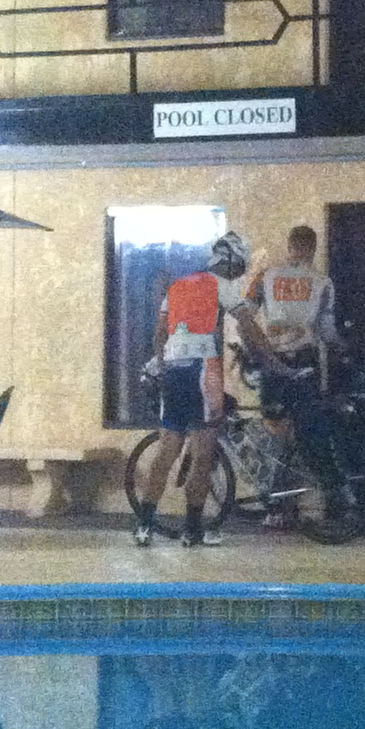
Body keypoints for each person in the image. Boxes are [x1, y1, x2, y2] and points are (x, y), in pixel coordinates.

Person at [136, 229, 261, 547]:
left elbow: (159, 336)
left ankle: (144, 526)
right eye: (239, 266)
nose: (239, 273)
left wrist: (164, 367)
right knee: (203, 455)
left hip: (173, 373)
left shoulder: (178, 286)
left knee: (167, 452)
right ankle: (192, 530)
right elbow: (248, 325)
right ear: (228, 261)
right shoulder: (222, 286)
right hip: (203, 372)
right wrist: (269, 360)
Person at [243, 223, 339, 422]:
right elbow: (327, 331)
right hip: (305, 358)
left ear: (289, 246)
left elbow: (244, 318)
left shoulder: (264, 277)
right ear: (313, 248)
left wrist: (253, 353)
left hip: (272, 356)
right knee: (306, 419)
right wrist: (342, 346)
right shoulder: (323, 282)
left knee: (273, 419)